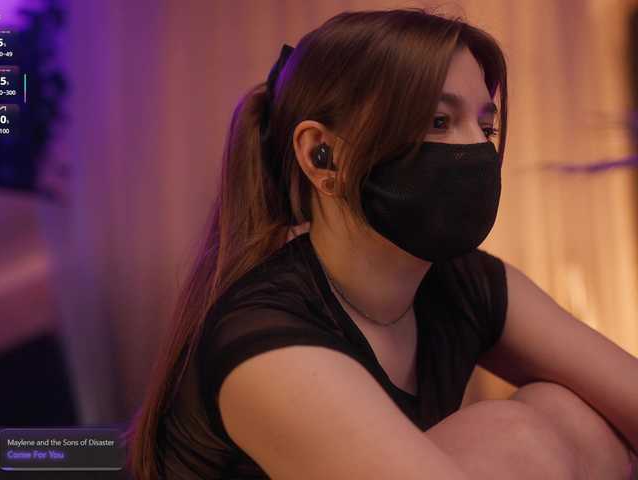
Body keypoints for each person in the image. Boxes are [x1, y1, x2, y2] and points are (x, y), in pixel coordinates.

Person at [126, 8, 638, 479]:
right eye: (439, 122)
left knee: (569, 412)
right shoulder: (268, 341)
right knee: (515, 434)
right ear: (323, 156)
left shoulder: (461, 281)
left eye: (486, 126)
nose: (475, 149)